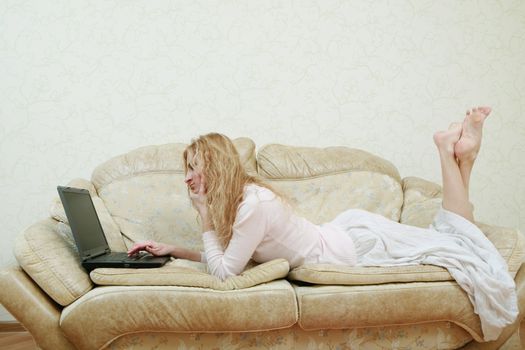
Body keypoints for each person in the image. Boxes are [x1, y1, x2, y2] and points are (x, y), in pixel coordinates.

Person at [128, 106, 517, 341]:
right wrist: (173, 250)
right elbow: (232, 261)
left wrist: (204, 217)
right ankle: (461, 156)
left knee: (458, 244)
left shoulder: (252, 205)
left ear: (214, 167)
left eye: (194, 169)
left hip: (359, 247)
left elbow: (225, 275)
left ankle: (450, 153)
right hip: (347, 235)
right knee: (454, 238)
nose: (188, 179)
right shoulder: (243, 202)